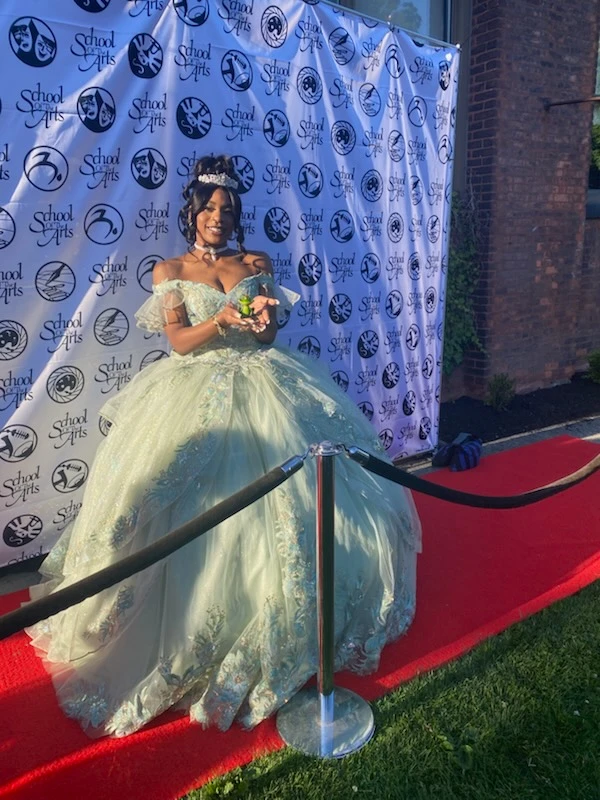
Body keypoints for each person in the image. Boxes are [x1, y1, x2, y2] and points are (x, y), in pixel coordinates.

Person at [26, 155, 421, 738]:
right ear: (194, 209)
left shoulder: (255, 262)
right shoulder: (169, 271)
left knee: (307, 498)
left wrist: (259, 316)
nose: (218, 217)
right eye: (209, 207)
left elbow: (268, 334)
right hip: (194, 389)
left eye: (227, 209)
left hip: (268, 383)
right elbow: (181, 342)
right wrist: (226, 320)